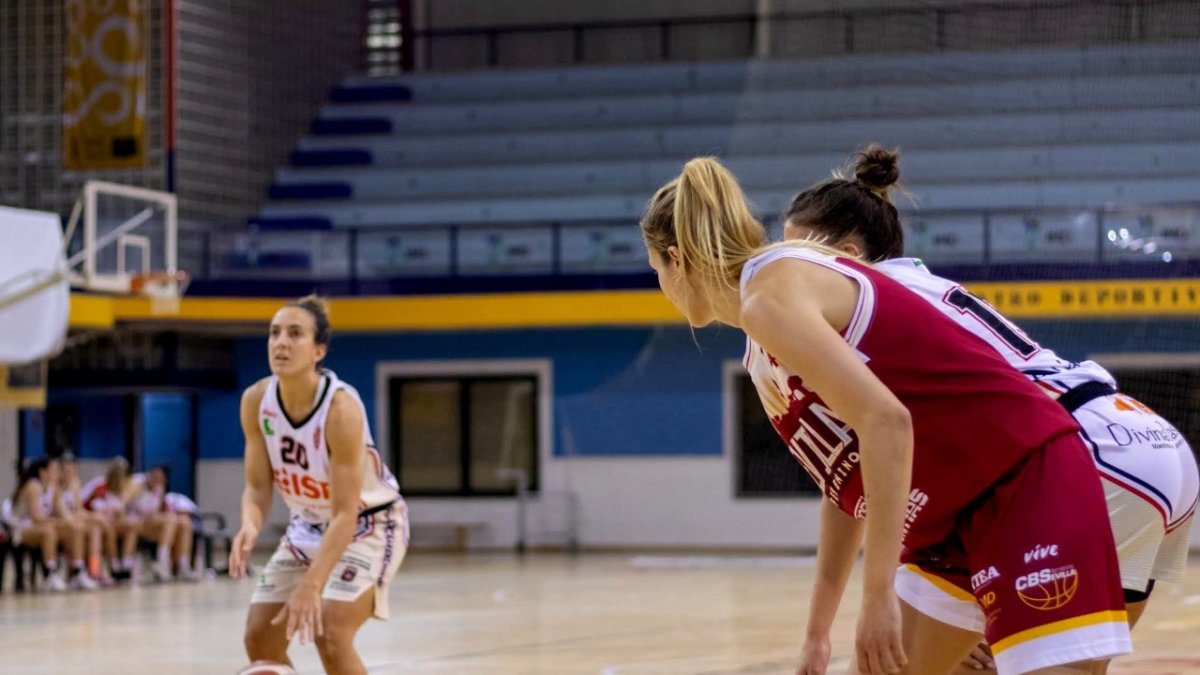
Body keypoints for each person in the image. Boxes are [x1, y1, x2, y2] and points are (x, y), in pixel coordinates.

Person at [641, 157, 1130, 675]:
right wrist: (816, 633)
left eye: (657, 272)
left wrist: (878, 596)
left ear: (677, 258)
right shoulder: (764, 330)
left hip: (1023, 470)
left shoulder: (770, 295)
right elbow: (846, 486)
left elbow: (887, 422)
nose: (662, 289)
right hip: (956, 513)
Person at [781, 145, 1200, 672]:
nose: (782, 270)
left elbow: (859, 472)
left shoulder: (853, 306)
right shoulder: (925, 286)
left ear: (845, 254)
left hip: (1076, 454)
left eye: (792, 256)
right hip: (1147, 446)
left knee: (903, 664)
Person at [230, 295, 408, 675]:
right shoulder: (255, 401)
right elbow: (258, 486)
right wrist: (250, 522)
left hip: (367, 525)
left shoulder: (341, 409)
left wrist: (312, 585)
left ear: (318, 351)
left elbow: (346, 513)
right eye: (274, 333)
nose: (281, 342)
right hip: (306, 526)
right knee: (260, 639)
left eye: (295, 334)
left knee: (330, 631)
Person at [9, 457, 95, 590]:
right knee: (49, 531)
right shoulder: (32, 486)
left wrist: (71, 521)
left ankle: (77, 572)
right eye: (54, 469)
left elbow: (61, 511)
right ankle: (50, 575)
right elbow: (36, 518)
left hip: (44, 525)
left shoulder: (52, 487)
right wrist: (60, 522)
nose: (57, 472)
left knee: (75, 529)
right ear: (43, 472)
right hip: (21, 529)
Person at [56, 452, 118, 585]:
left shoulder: (75, 483)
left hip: (73, 519)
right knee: (87, 526)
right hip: (60, 522)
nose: (69, 474)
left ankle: (95, 571)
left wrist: (92, 517)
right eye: (66, 470)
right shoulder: (56, 486)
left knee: (95, 529)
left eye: (72, 470)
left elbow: (78, 509)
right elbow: (60, 513)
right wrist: (92, 516)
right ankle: (110, 563)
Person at [128, 465, 198, 580]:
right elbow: (127, 505)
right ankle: (163, 562)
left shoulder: (159, 488)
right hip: (135, 523)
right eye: (155, 476)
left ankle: (183, 566)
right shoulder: (136, 483)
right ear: (149, 474)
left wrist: (159, 494)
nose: (157, 480)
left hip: (152, 524)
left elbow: (155, 512)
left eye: (160, 478)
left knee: (184, 522)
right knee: (170, 519)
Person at [81, 456, 142, 580]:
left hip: (110, 522)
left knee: (133, 524)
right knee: (106, 527)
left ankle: (126, 564)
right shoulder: (100, 486)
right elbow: (94, 510)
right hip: (94, 522)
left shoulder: (124, 489)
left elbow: (120, 513)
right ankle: (109, 566)